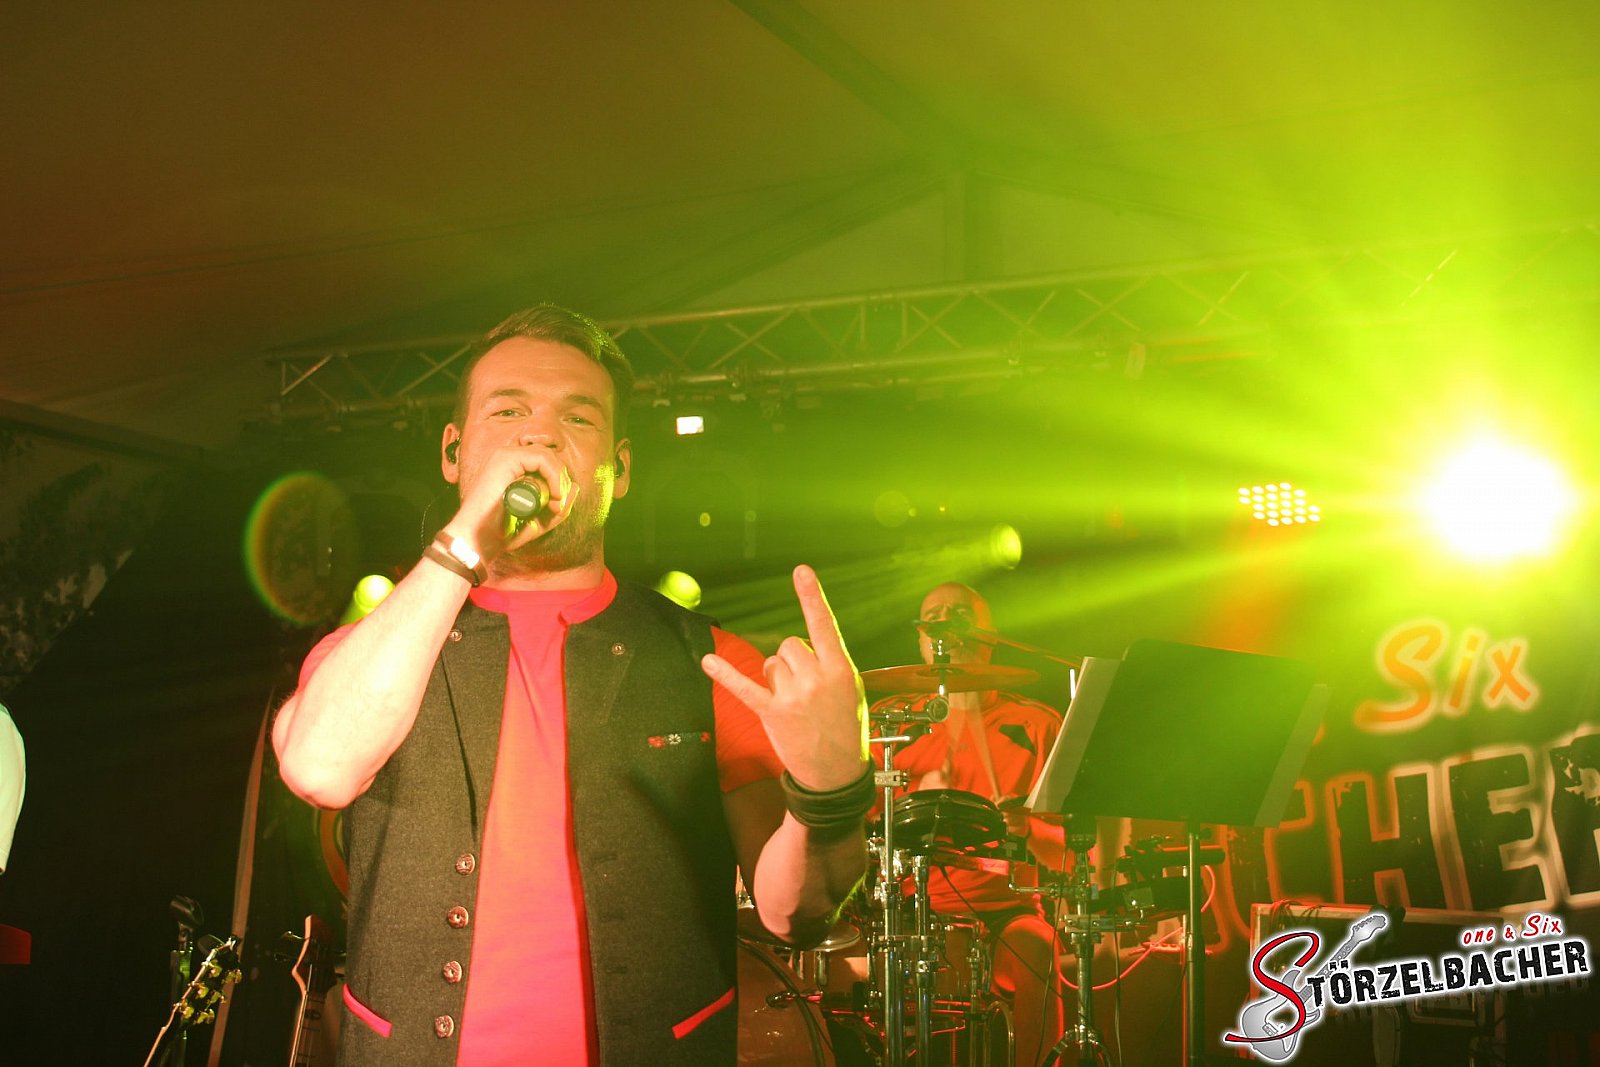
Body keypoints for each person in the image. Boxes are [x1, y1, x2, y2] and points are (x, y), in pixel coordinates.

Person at [272, 305, 871, 1066]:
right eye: (508, 411)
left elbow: (796, 915)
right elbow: (318, 768)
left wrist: (830, 795)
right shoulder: (380, 645)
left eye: (577, 418)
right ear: (454, 452)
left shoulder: (710, 661)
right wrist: (466, 540)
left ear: (620, 469)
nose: (541, 437)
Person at [879, 582, 1066, 1067]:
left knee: (1039, 947)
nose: (945, 623)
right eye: (933, 616)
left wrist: (1028, 828)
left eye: (959, 614)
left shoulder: (1037, 725)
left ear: (990, 636)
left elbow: (1074, 852)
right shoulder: (892, 724)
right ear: (921, 640)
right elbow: (853, 830)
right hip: (904, 911)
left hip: (1006, 912)